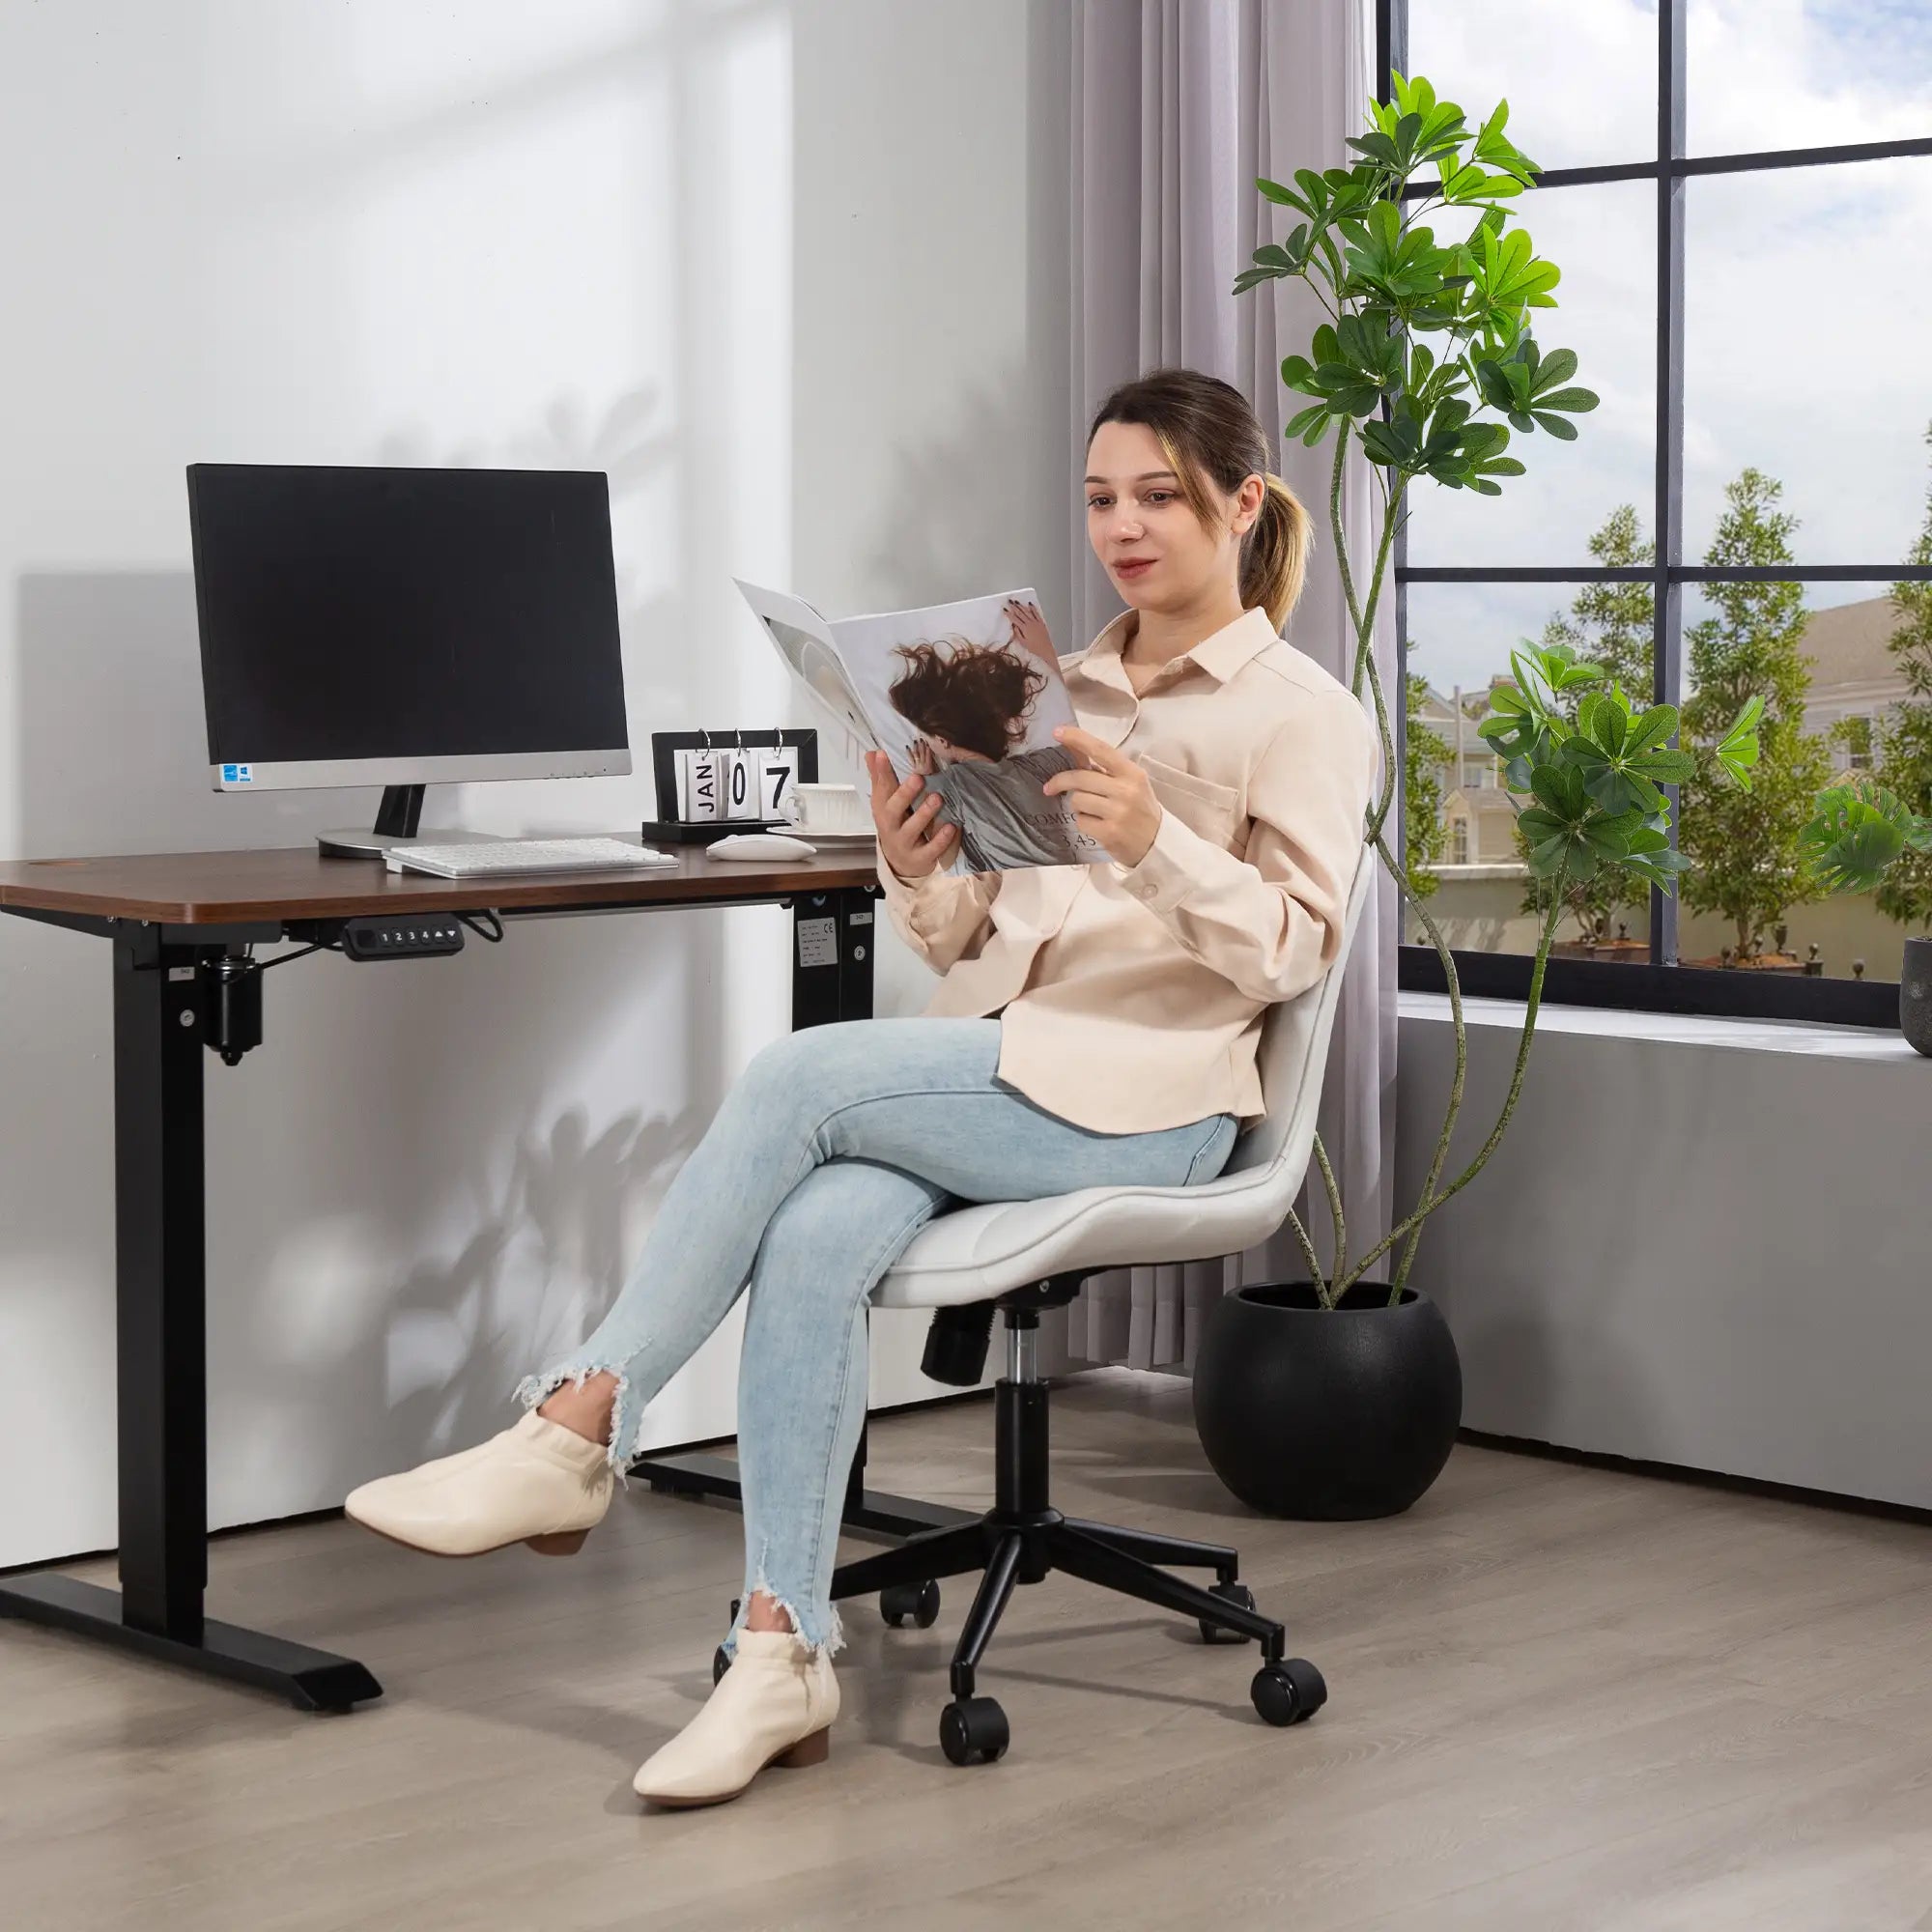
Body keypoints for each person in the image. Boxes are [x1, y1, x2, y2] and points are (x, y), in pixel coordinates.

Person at [343, 366, 1375, 1811]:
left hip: (1159, 1099)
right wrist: (916, 857)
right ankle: (781, 1657)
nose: (1124, 529)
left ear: (1242, 504)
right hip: (1007, 1063)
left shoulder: (1300, 714)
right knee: (820, 1227)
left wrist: (1156, 844)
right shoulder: (1050, 689)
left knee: (799, 1075)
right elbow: (980, 938)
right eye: (1099, 499)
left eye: (1158, 497)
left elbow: (1297, 952)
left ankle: (578, 1426)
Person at [886, 634, 1098, 870]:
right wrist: (1046, 652)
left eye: (927, 737)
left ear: (944, 741)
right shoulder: (1036, 767)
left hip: (1015, 895)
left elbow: (944, 859)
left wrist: (927, 781)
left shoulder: (949, 785)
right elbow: (1085, 748)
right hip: (1071, 883)